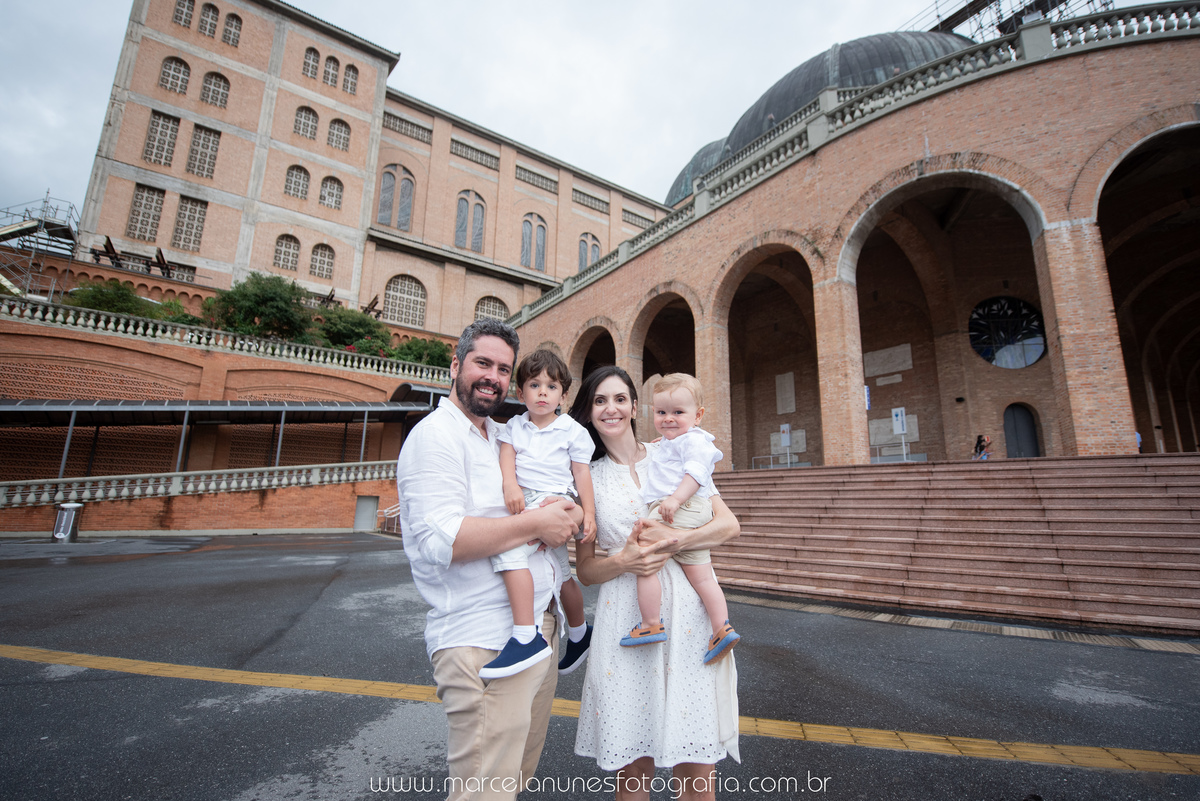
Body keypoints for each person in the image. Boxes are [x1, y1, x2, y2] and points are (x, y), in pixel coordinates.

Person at [395, 319, 582, 801]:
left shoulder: (503, 435)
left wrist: (571, 509)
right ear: (456, 365)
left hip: (538, 632)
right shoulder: (435, 436)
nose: (493, 377)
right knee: (484, 792)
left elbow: (555, 481)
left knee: (513, 781)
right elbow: (444, 539)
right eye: (483, 363)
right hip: (482, 642)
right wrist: (536, 525)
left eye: (503, 368)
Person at [571, 365, 741, 801]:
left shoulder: (676, 449)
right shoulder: (585, 477)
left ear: (634, 406)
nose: (611, 408)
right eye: (600, 401)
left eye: (620, 398)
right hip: (626, 618)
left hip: (688, 613)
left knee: (698, 769)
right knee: (633, 767)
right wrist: (626, 560)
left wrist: (678, 540)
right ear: (588, 412)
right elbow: (586, 572)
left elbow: (728, 525)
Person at [481, 349, 596, 679]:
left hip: (555, 501)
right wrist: (510, 485)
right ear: (521, 392)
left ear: (563, 394)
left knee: (507, 550)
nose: (543, 392)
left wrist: (588, 512)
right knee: (562, 573)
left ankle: (525, 636)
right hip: (523, 498)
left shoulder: (572, 431)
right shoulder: (515, 426)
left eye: (551, 386)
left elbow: (582, 474)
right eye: (534, 385)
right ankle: (579, 633)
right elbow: (507, 457)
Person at [622, 373, 739, 665]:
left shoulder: (695, 442)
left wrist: (675, 499)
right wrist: (663, 443)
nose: (668, 419)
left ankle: (650, 621)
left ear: (698, 416)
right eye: (661, 413)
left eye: (678, 413)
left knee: (644, 553)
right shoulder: (676, 441)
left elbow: (697, 473)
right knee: (702, 577)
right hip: (694, 513)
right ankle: (721, 628)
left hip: (679, 507)